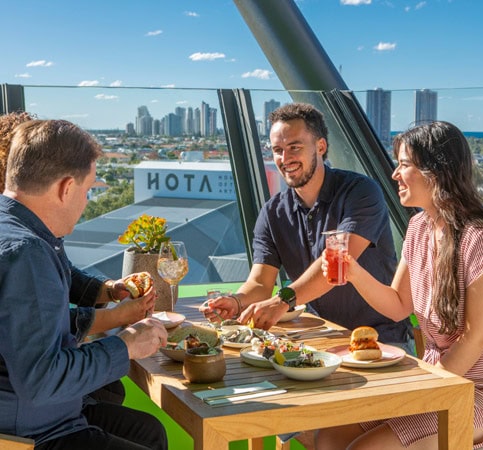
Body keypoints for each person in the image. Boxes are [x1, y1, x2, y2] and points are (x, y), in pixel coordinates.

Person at [317, 121, 483, 449]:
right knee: (330, 437)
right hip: (438, 378)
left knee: (365, 448)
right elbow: (398, 304)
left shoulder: (482, 238)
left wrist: (424, 391)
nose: (394, 174)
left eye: (403, 164)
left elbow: (477, 337)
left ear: (436, 172)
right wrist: (353, 271)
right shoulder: (418, 227)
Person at [0, 119, 169, 449]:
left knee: (149, 432)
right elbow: (41, 381)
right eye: (88, 190)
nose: (87, 201)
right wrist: (127, 345)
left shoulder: (19, 229)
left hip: (34, 413)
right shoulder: (28, 255)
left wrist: (105, 296)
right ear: (65, 188)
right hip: (33, 433)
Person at [202, 102, 413, 349]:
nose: (284, 158)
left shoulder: (361, 192)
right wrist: (236, 302)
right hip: (318, 338)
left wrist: (283, 300)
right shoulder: (272, 213)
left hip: (380, 341)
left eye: (294, 147)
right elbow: (260, 283)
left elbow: (337, 263)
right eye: (277, 150)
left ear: (320, 146)